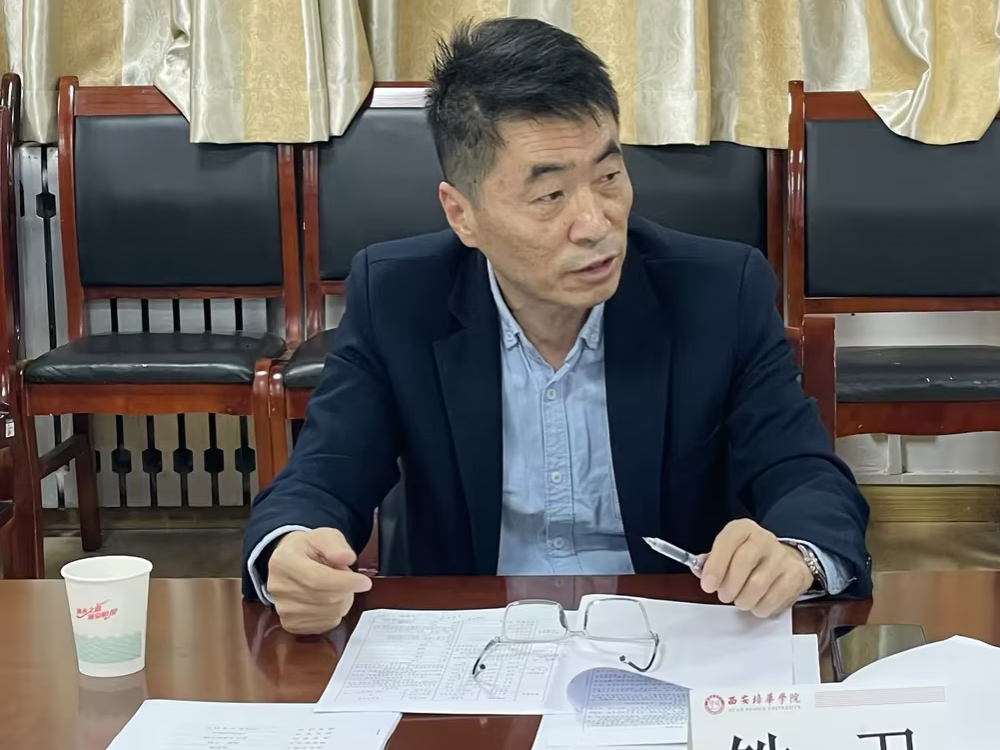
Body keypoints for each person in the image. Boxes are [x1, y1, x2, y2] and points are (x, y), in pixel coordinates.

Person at [243, 17, 871, 634]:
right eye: (550, 196)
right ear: (462, 215)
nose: (596, 223)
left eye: (609, 177)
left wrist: (796, 553)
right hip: (472, 639)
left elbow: (802, 473)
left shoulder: (717, 292)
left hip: (669, 635)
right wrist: (290, 551)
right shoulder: (399, 297)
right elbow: (324, 473)